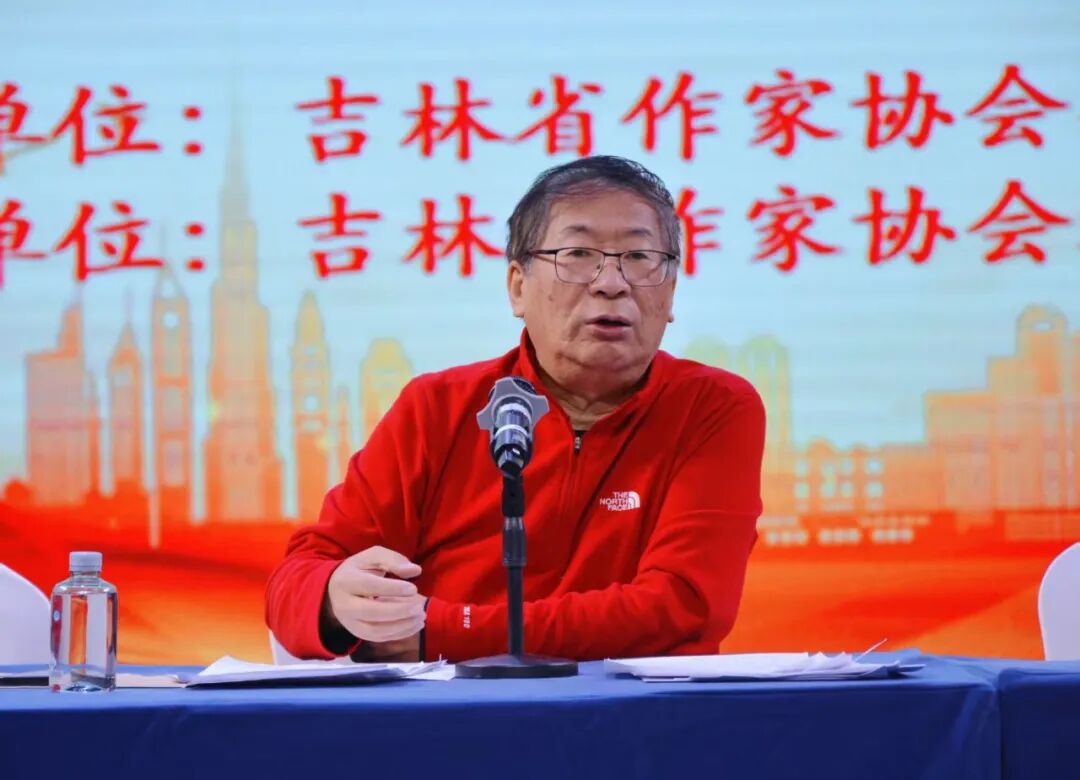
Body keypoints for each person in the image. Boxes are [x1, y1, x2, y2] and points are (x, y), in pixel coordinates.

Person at [266, 155, 765, 663]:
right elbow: (297, 580)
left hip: (632, 711)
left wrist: (441, 630)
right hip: (452, 709)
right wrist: (334, 598)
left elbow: (682, 606)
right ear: (518, 287)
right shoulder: (437, 407)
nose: (611, 282)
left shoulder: (712, 407)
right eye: (578, 253)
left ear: (671, 292)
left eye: (639, 257)